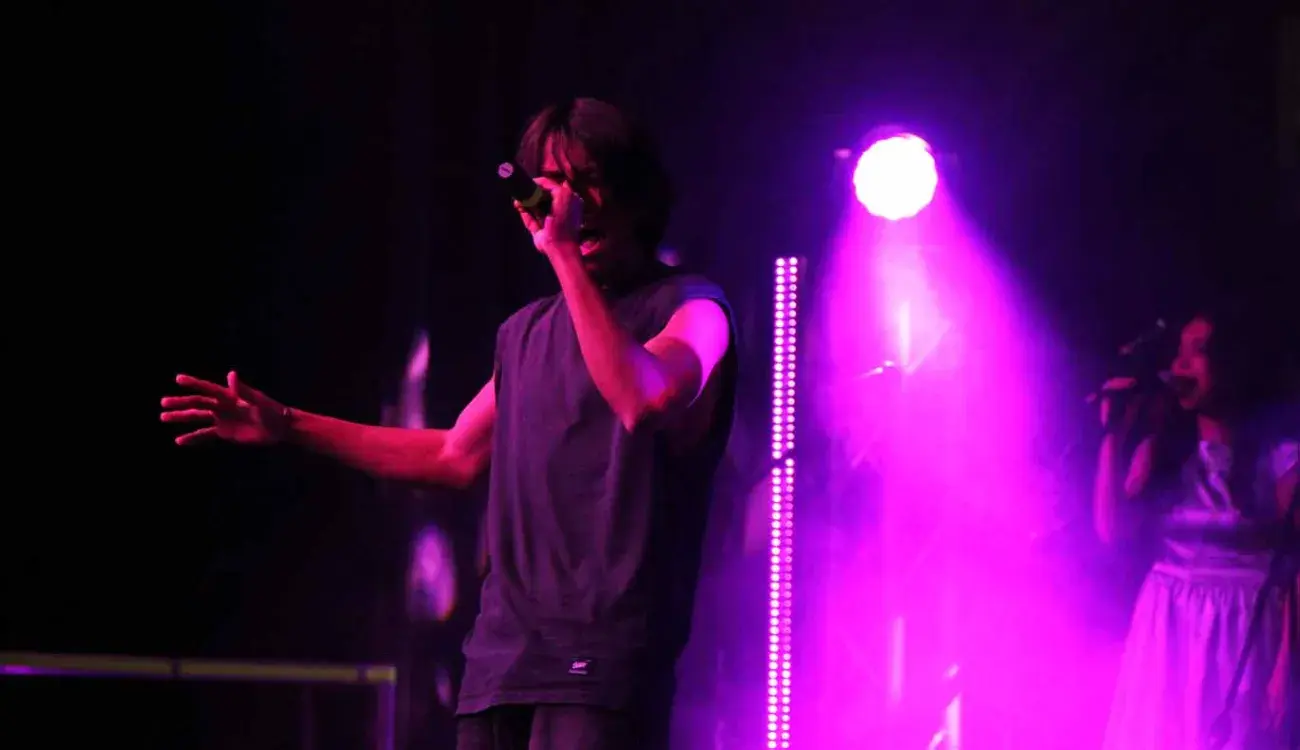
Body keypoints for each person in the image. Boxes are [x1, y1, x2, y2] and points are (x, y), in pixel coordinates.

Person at [162, 98, 738, 750]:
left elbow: (643, 399)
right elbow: (452, 455)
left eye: (588, 180)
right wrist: (288, 424)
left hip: (602, 666)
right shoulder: (524, 334)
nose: (569, 203)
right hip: (501, 666)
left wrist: (563, 256)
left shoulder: (692, 308)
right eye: (553, 185)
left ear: (634, 192)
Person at [1094, 305, 1297, 749]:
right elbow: (1111, 529)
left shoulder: (1280, 458)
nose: (1181, 364)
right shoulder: (1164, 453)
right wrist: (1112, 434)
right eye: (1179, 352)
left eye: (1198, 350)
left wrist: (1286, 663)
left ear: (1231, 362)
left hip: (1242, 629)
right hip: (1168, 628)